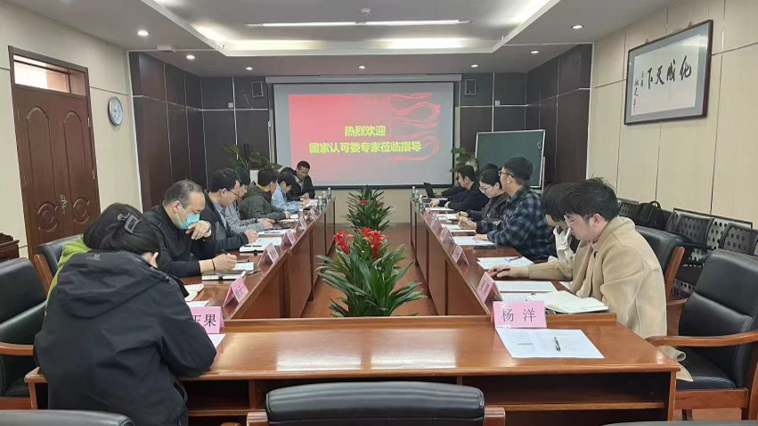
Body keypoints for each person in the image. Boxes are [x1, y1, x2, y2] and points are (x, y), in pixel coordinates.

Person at [35, 203, 217, 426]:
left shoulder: (64, 282)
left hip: (68, 419)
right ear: (151, 257)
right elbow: (198, 358)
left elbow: (45, 350)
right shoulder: (155, 286)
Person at [490, 178, 667, 340]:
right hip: (595, 328)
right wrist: (522, 271)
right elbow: (570, 267)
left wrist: (557, 318)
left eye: (571, 219)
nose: (568, 225)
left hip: (633, 346)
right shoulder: (593, 236)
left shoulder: (624, 251)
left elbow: (612, 315)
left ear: (596, 219)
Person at [144, 180, 237, 277]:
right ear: (176, 206)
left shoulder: (182, 222)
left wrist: (207, 234)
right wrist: (212, 264)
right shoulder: (150, 225)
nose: (198, 217)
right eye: (195, 212)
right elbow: (166, 268)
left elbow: (205, 255)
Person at [474, 157, 554, 261]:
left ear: (509, 178)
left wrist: (488, 236)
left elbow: (511, 238)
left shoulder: (528, 202)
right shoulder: (513, 199)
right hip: (516, 256)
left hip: (533, 260)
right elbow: (502, 225)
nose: (499, 177)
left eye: (501, 173)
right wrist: (478, 226)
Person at [201, 168, 260, 252]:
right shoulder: (204, 210)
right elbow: (212, 246)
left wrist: (246, 236)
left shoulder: (220, 207)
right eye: (236, 194)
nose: (236, 198)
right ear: (223, 192)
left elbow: (228, 233)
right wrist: (243, 238)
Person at [458, 168, 509, 234]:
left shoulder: (506, 202)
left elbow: (499, 224)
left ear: (496, 185)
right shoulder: (493, 198)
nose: (484, 192)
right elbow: (485, 214)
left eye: (485, 189)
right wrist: (469, 214)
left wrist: (477, 225)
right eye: (481, 189)